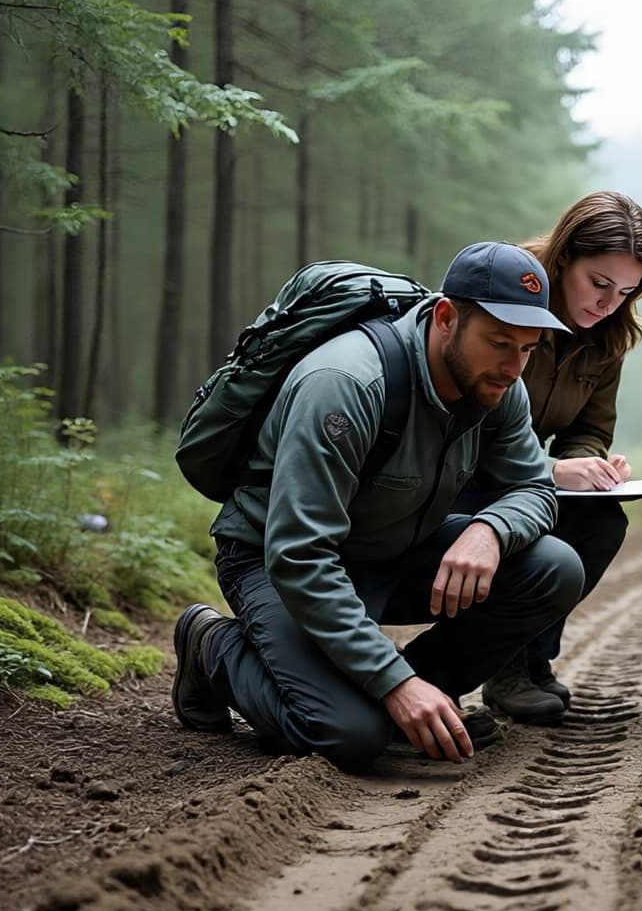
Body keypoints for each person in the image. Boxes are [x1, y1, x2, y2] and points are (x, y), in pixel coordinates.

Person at [171, 242, 585, 770]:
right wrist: (393, 682)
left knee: (553, 567)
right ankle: (212, 648)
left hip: (391, 550)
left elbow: (535, 487)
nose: (513, 367)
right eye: (499, 342)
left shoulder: (499, 387)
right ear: (445, 318)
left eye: (528, 348)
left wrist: (491, 530)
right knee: (345, 734)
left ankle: (423, 700)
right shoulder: (345, 385)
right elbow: (300, 556)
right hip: (277, 562)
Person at [474, 191, 642, 724]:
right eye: (598, 283)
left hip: (526, 476)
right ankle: (499, 660)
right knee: (527, 521)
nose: (608, 304)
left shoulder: (609, 335)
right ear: (562, 257)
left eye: (626, 291)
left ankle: (530, 658)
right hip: (460, 471)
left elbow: (590, 428)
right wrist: (550, 469)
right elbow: (463, 417)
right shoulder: (506, 290)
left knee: (601, 520)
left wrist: (591, 466)